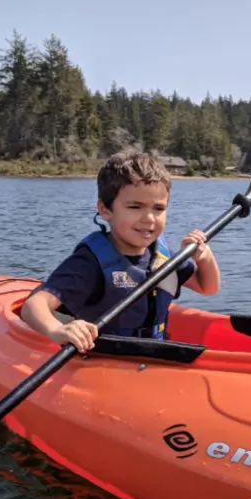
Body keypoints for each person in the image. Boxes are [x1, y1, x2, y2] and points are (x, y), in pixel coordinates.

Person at [20, 150, 221, 352]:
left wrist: (205, 258)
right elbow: (33, 306)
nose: (149, 218)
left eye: (158, 209)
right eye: (135, 207)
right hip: (103, 360)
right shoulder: (90, 262)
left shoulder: (162, 255)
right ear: (105, 210)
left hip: (154, 356)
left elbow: (208, 287)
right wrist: (58, 330)